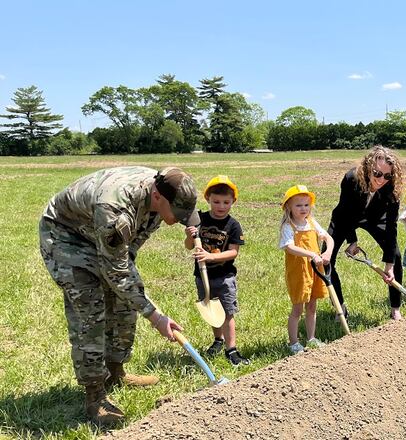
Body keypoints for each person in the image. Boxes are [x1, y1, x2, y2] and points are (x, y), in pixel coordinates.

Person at [39, 166, 198, 427]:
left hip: (97, 233)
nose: (180, 220)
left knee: (125, 302)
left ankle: (116, 372)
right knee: (90, 311)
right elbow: (117, 273)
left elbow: (128, 253)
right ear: (157, 196)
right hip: (66, 236)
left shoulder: (160, 194)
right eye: (178, 213)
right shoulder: (116, 210)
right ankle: (95, 396)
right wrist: (155, 316)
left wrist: (138, 299)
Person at [325, 146, 405, 320]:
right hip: (345, 217)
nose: (381, 179)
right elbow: (346, 213)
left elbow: (391, 225)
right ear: (368, 167)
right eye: (377, 173)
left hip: (375, 218)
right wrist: (351, 240)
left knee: (396, 256)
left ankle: (395, 309)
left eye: (387, 175)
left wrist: (389, 264)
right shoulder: (351, 179)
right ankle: (340, 307)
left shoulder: (392, 188)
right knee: (325, 258)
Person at [184, 175, 249, 366]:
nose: (221, 206)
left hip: (224, 277)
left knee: (228, 313)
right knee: (213, 309)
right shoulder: (200, 220)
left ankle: (232, 349)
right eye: (216, 201)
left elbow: (232, 252)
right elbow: (189, 246)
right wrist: (189, 236)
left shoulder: (233, 225)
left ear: (233, 202)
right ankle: (218, 341)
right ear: (208, 199)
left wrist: (211, 256)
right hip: (202, 276)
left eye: (226, 202)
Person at [279, 185, 334, 354]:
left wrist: (328, 252)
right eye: (298, 205)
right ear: (288, 207)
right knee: (298, 309)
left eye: (306, 205)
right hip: (299, 272)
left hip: (315, 270)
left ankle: (311, 338)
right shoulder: (289, 227)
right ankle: (293, 342)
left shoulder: (311, 223)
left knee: (312, 306)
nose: (303, 209)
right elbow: (289, 247)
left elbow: (328, 237)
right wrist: (311, 254)